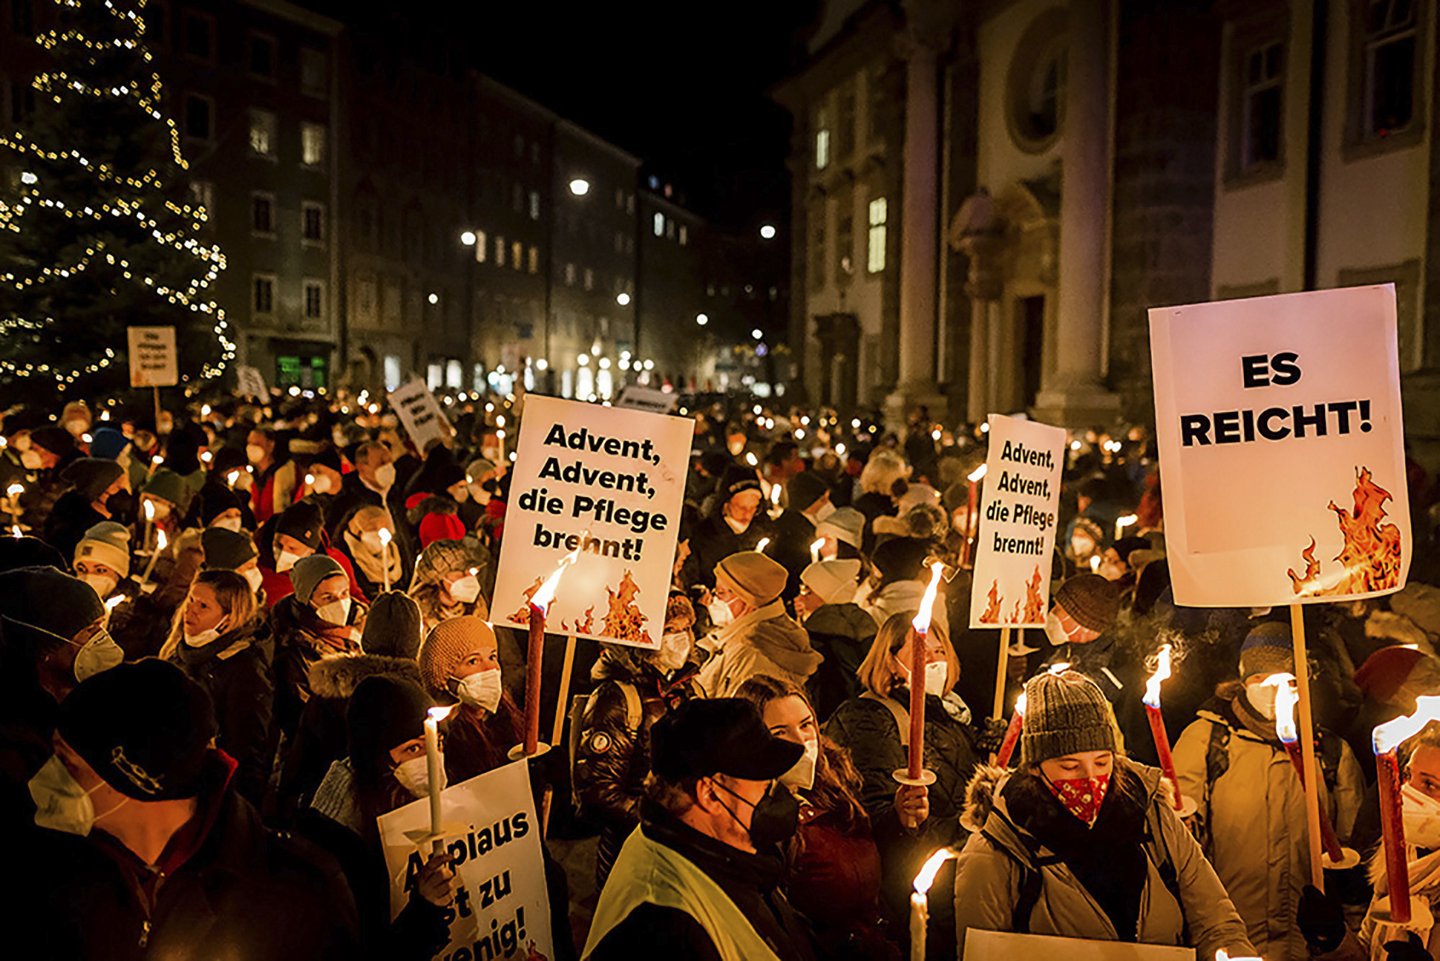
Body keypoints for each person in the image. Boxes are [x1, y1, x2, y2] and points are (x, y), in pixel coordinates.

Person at [17, 659, 361, 959]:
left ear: (135, 777)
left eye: (67, 761)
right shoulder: (53, 871)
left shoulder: (300, 895)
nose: (46, 776)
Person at [953, 670, 1255, 959]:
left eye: (1101, 762)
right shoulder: (998, 847)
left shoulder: (1154, 818)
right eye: (1070, 766)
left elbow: (1216, 923)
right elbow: (982, 951)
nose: (1089, 778)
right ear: (1034, 767)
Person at [1172, 620, 1365, 961]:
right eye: (1260, 679)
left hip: (1308, 944)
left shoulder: (1331, 754)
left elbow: (1352, 858)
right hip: (1232, 937)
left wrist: (1350, 935)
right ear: (1243, 681)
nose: (1272, 690)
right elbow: (1182, 848)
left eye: (1287, 680)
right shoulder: (1205, 742)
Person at [583, 697, 819, 960]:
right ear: (710, 794)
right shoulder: (665, 928)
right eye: (766, 786)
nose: (777, 796)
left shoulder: (713, 849)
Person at [825, 611, 975, 961]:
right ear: (891, 661)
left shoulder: (950, 712)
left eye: (940, 651)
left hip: (953, 874)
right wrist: (910, 816)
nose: (936, 661)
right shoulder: (868, 718)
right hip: (910, 883)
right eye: (923, 652)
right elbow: (875, 816)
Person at [736, 675, 903, 961]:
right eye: (779, 733)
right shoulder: (749, 817)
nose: (801, 741)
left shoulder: (833, 783)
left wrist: (898, 819)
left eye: (805, 725)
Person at [300, 674, 458, 960]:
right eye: (413, 748)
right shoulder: (336, 838)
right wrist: (424, 909)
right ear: (375, 756)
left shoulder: (397, 794)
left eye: (437, 743)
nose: (432, 758)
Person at [573, 595, 701, 886]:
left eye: (686, 628)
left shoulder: (688, 689)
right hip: (631, 853)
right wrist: (665, 824)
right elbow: (599, 794)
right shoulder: (616, 699)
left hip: (679, 851)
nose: (680, 639)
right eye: (669, 630)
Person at [1299, 724, 1440, 960]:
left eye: (1430, 784)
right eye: (1407, 776)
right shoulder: (1397, 864)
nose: (1407, 791)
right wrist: (1335, 939)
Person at [280, 592, 424, 819]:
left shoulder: (331, 692)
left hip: (332, 814)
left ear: (368, 637)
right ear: (416, 640)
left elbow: (302, 758)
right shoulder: (422, 698)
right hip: (401, 814)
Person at [0, 566, 117, 820]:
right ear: (45, 647)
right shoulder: (18, 733)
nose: (103, 640)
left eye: (102, 626)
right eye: (90, 630)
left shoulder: (95, 697)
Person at [159, 569, 276, 805]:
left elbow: (247, 748)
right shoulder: (179, 648)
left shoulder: (244, 670)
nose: (190, 610)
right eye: (191, 599)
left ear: (228, 619)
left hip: (205, 791)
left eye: (204, 606)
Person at [695, 551, 822, 697]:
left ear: (748, 599)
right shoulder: (744, 636)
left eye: (721, 592)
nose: (714, 599)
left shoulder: (752, 652)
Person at [272, 554, 368, 741]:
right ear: (307, 600)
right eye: (328, 597)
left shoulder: (364, 625)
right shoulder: (294, 650)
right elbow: (303, 715)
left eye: (344, 593)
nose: (340, 602)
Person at [416, 615, 524, 782]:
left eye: (492, 657)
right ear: (445, 679)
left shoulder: (508, 718)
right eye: (473, 661)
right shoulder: (445, 741)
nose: (490, 668)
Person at [796, 558, 876, 723]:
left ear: (825, 595)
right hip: (869, 713)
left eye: (807, 591)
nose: (801, 598)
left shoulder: (818, 633)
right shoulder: (867, 624)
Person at [684, 466, 773, 589]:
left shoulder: (763, 533)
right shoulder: (703, 536)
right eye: (742, 507)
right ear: (726, 505)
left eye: (753, 508)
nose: (747, 514)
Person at [857, 536, 949, 637]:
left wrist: (866, 588)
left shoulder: (871, 614)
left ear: (880, 573)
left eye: (874, 570)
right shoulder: (937, 605)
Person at [42, 457, 131, 560]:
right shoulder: (73, 525)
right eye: (117, 485)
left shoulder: (120, 520)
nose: (124, 489)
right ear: (98, 488)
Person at [770, 470, 835, 601]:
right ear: (807, 501)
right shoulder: (793, 531)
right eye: (823, 500)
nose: (828, 504)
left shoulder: (812, 523)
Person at [408, 537, 490, 634]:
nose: (469, 576)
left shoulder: (478, 608)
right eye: (460, 572)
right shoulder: (418, 613)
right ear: (438, 579)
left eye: (469, 570)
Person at [336, 504, 409, 599]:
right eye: (372, 528)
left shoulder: (396, 551)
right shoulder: (345, 557)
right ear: (358, 531)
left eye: (384, 528)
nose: (380, 533)